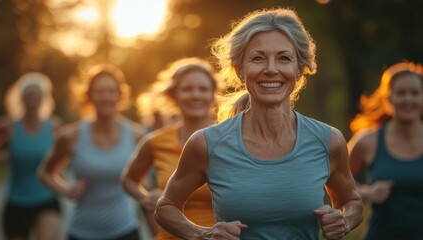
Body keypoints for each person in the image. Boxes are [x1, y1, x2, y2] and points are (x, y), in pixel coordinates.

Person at [154, 7, 363, 240]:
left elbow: (352, 202)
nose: (271, 69)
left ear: (300, 70)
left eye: (283, 58)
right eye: (258, 58)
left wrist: (344, 220)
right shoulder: (207, 143)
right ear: (240, 70)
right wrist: (202, 234)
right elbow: (165, 207)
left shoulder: (328, 140)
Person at [38, 64, 146, 240]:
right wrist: (64, 189)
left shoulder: (137, 135)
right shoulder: (70, 136)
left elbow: (147, 177)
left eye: (111, 91)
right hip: (82, 232)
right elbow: (44, 172)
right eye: (99, 91)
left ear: (120, 95)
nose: (106, 97)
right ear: (88, 96)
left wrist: (142, 184)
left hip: (126, 230)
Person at [121, 57, 219, 239]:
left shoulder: (230, 138)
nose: (196, 95)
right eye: (187, 89)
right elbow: (128, 180)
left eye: (203, 89)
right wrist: (145, 198)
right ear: (173, 95)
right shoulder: (155, 141)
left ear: (213, 94)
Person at [347, 61, 423, 239]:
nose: (408, 99)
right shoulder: (368, 141)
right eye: (401, 93)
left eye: (415, 93)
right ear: (388, 99)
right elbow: (336, 180)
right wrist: (367, 192)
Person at [0, 72, 62, 240]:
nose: (32, 102)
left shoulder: (54, 126)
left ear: (43, 99)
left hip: (47, 199)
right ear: (20, 99)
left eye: (36, 97)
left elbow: (65, 157)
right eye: (28, 97)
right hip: (16, 202)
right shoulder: (7, 126)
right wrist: (6, 157)